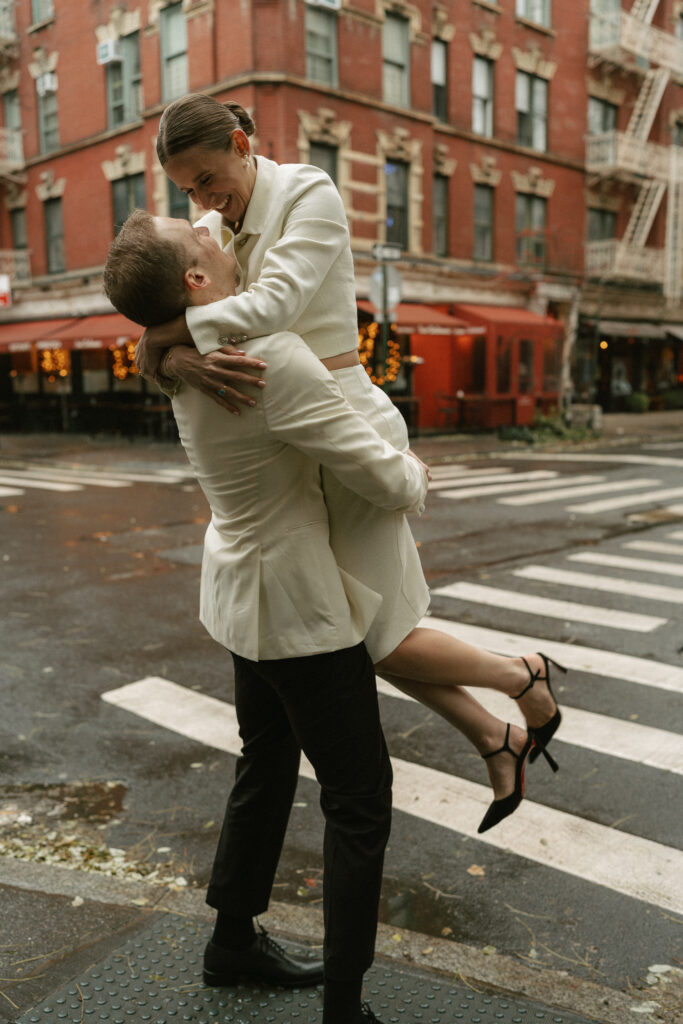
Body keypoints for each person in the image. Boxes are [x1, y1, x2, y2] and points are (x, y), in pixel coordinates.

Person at [135, 93, 565, 811]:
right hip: (296, 444)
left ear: (243, 144)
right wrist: (169, 356)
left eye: (209, 178)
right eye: (187, 190)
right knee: (354, 636)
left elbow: (271, 305)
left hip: (346, 425)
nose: (203, 200)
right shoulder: (210, 229)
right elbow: (174, 313)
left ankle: (521, 676)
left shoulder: (308, 191)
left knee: (369, 638)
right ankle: (498, 736)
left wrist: (164, 337)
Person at [104, 209, 434, 1024]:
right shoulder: (269, 359)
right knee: (358, 799)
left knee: (267, 761)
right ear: (194, 280)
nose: (211, 225)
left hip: (239, 595)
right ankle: (345, 1008)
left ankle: (231, 941)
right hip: (296, 614)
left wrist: (161, 338)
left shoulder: (182, 362)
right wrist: (415, 465)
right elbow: (387, 484)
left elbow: (187, 251)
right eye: (198, 232)